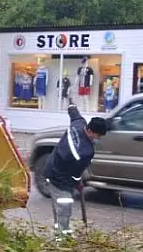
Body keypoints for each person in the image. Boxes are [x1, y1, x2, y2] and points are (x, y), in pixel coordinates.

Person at [43, 98, 107, 240]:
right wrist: (77, 182)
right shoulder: (86, 151)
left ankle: (62, 235)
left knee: (60, 209)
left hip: (50, 167)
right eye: (98, 136)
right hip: (60, 180)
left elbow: (73, 111)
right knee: (64, 208)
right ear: (90, 131)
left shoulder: (79, 123)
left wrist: (71, 103)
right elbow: (76, 174)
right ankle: (62, 241)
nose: (98, 139)